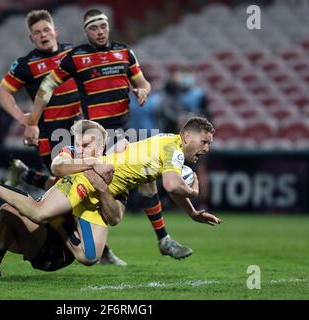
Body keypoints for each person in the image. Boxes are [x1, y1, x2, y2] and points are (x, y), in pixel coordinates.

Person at [0, 117, 222, 277]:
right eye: (204, 141)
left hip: (101, 188)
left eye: (209, 143)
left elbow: (169, 187)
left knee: (89, 256)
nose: (206, 148)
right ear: (186, 136)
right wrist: (194, 191)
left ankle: (53, 216)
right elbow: (173, 185)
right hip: (86, 179)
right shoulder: (172, 149)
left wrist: (192, 212)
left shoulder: (168, 145)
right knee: (39, 213)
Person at [20, 8, 190, 260]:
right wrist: (33, 120)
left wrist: (142, 89)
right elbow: (47, 86)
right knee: (85, 187)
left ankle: (161, 239)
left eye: (103, 26)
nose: (99, 32)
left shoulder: (124, 52)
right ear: (86, 31)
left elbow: (142, 82)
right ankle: (98, 245)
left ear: (108, 26)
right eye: (93, 28)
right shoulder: (76, 57)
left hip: (122, 134)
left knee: (144, 178)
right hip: (94, 137)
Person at [0, 120, 127, 276]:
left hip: (58, 249)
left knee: (9, 210)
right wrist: (90, 162)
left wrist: (102, 187)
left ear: (101, 148)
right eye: (78, 144)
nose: (80, 149)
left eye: (87, 145)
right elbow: (57, 167)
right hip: (41, 228)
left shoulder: (115, 174)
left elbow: (115, 217)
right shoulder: (72, 156)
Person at [0, 9, 81, 169]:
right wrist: (21, 118)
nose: (43, 35)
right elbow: (2, 93)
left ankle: (27, 175)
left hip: (79, 129)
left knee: (79, 183)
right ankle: (28, 177)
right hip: (50, 135)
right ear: (31, 38)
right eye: (37, 32)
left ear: (55, 31)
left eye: (46, 30)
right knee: (66, 183)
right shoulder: (26, 64)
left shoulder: (72, 52)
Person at [163, 67, 211, 209]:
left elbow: (207, 116)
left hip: (196, 138)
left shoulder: (198, 95)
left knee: (200, 170)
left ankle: (202, 202)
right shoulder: (177, 95)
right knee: (178, 170)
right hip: (181, 139)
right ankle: (181, 202)